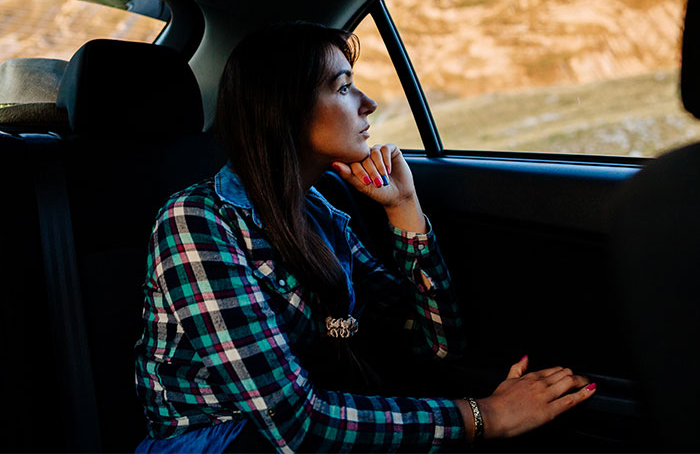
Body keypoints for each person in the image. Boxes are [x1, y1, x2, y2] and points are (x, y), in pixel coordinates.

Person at [134, 22, 596, 453]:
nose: (368, 102)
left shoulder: (319, 213)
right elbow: (295, 423)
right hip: (227, 441)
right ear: (284, 110)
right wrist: (486, 415)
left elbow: (436, 344)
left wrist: (403, 207)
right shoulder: (196, 222)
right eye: (343, 86)